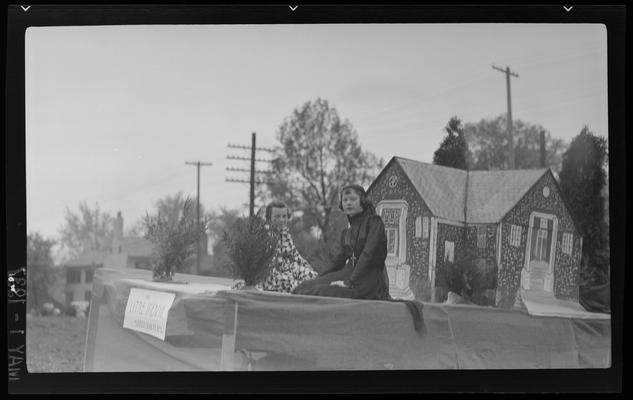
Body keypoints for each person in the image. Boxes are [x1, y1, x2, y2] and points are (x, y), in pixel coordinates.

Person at [292, 184, 391, 300]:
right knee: (305, 286)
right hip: (348, 273)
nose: (348, 203)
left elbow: (367, 255)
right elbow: (337, 262)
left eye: (353, 199)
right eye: (345, 200)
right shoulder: (346, 233)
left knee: (323, 291)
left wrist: (350, 282)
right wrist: (318, 278)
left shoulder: (374, 223)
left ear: (362, 202)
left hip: (368, 280)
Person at [233, 201, 318, 293]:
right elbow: (264, 264)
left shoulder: (285, 234)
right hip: (268, 273)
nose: (281, 220)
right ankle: (297, 291)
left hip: (288, 268)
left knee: (312, 276)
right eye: (277, 217)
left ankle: (304, 289)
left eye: (284, 216)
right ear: (269, 218)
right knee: (288, 282)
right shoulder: (263, 234)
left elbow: (295, 256)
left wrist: (307, 268)